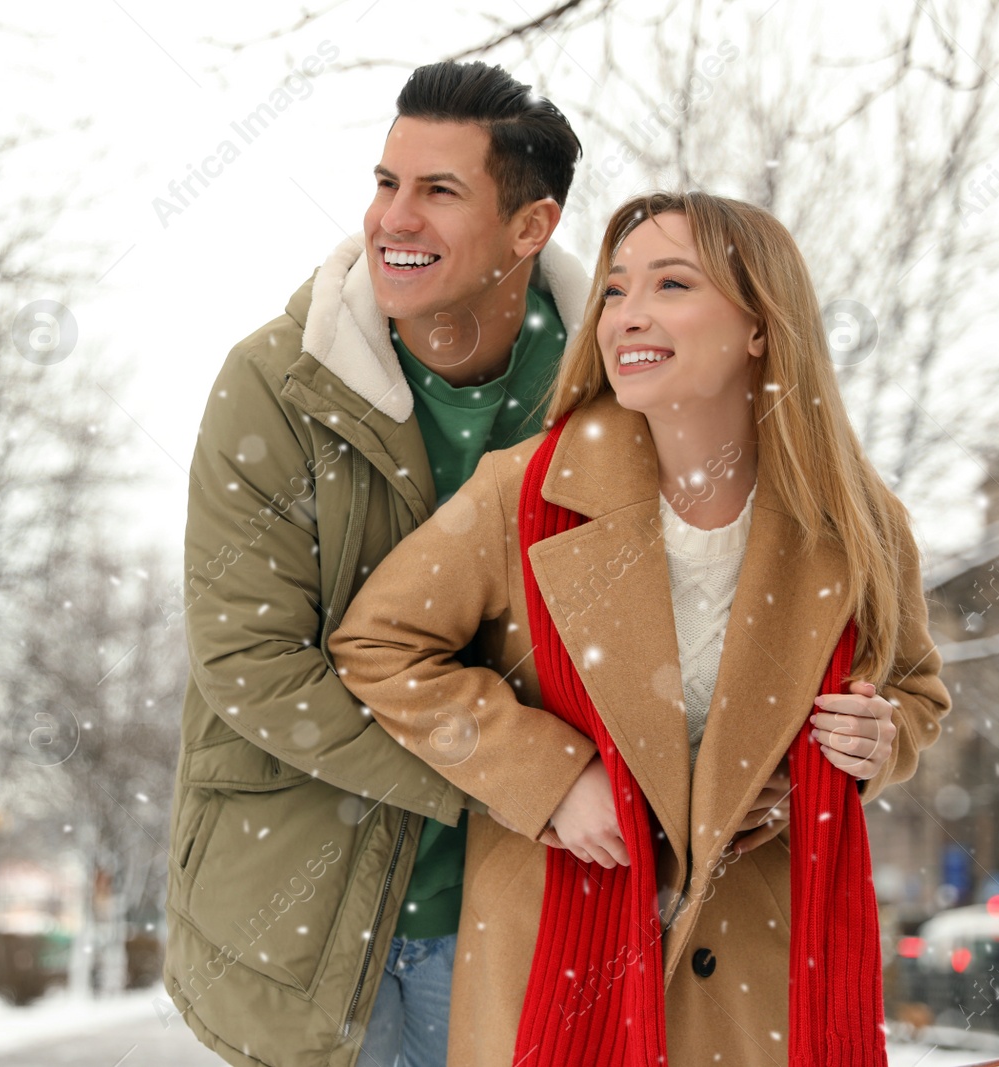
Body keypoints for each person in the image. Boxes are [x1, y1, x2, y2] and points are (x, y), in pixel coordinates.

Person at [328, 191, 951, 1066]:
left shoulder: (856, 520)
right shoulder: (527, 491)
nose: (629, 314)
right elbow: (377, 645)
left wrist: (878, 740)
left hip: (761, 986)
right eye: (616, 290)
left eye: (671, 283)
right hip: (553, 970)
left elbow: (915, 690)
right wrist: (548, 778)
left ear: (760, 327)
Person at [162, 61, 592, 1067]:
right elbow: (252, 662)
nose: (392, 217)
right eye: (385, 181)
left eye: (438, 191)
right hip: (303, 913)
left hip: (529, 912)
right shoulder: (277, 383)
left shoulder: (607, 398)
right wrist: (518, 775)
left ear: (529, 228)